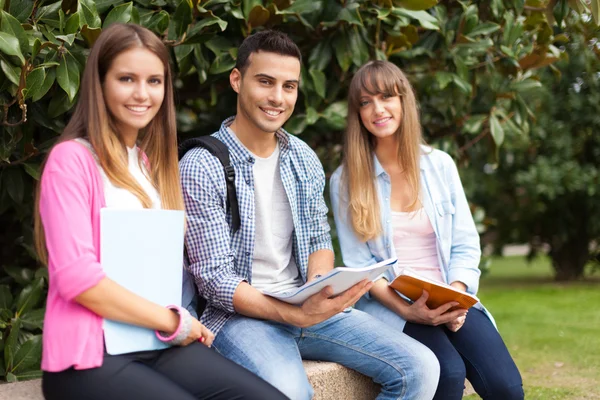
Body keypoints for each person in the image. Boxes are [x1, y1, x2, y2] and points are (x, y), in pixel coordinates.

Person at [179, 30, 440, 400]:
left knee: (421, 366)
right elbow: (215, 281)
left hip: (308, 307)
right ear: (237, 81)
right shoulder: (201, 165)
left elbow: (318, 238)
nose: (277, 97)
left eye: (289, 86)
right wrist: (293, 314)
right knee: (290, 392)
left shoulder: (301, 157)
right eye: (265, 82)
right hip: (240, 320)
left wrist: (318, 287)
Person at [35, 23, 286, 400]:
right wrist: (172, 320)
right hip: (92, 357)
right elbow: (77, 279)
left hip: (154, 343)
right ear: (99, 84)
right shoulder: (71, 160)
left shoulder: (148, 165)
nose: (142, 93)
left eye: (154, 81)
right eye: (126, 79)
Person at [330, 60, 524, 400]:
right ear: (356, 112)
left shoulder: (440, 165)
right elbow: (362, 269)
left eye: (386, 97)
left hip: (451, 297)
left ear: (404, 101)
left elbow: (465, 244)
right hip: (394, 307)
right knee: (447, 374)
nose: (378, 109)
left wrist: (456, 297)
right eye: (365, 101)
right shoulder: (345, 181)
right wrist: (407, 309)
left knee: (506, 387)